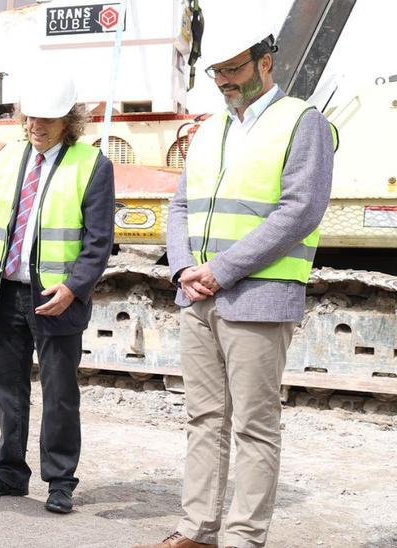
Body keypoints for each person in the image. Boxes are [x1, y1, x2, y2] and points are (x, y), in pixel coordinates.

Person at [137, 3, 335, 547]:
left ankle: (244, 538)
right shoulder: (207, 130)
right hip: (197, 298)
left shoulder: (303, 121)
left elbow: (300, 212)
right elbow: (180, 206)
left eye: (234, 68)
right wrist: (181, 269)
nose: (224, 80)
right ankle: (196, 530)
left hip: (258, 296)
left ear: (265, 62)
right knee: (203, 419)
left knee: (254, 425)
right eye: (216, 71)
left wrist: (220, 271)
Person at [0, 71, 115, 515]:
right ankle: (9, 472)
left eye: (47, 119)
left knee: (59, 392)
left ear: (69, 121)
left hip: (56, 297)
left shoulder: (92, 164)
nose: (36, 127)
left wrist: (74, 286)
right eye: (30, 118)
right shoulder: (5, 160)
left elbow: (99, 240)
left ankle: (60, 481)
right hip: (6, 293)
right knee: (6, 385)